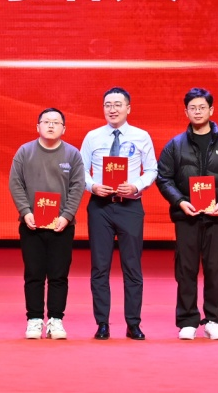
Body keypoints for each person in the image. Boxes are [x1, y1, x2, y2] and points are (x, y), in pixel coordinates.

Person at [155, 87, 218, 341]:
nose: (197, 112)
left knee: (216, 269)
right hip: (187, 215)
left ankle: (213, 320)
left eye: (202, 107)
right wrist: (180, 202)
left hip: (217, 216)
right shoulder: (175, 145)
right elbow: (164, 178)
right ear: (185, 112)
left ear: (211, 110)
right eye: (192, 108)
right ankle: (187, 321)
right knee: (185, 269)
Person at [80, 86, 157, 340]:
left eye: (117, 104)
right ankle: (102, 323)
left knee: (132, 266)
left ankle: (133, 323)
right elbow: (81, 170)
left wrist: (136, 185)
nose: (112, 109)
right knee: (100, 267)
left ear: (128, 108)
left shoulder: (141, 136)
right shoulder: (92, 136)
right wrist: (93, 186)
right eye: (108, 105)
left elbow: (152, 170)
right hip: (100, 207)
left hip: (130, 206)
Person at [8, 107, 87, 340]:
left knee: (58, 274)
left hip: (62, 226)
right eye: (46, 121)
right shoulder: (25, 152)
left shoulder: (72, 154)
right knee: (33, 273)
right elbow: (15, 184)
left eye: (56, 122)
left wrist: (67, 215)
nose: (51, 125)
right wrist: (25, 212)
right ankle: (34, 319)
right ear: (38, 126)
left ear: (64, 128)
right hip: (31, 224)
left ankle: (55, 319)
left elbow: (77, 186)